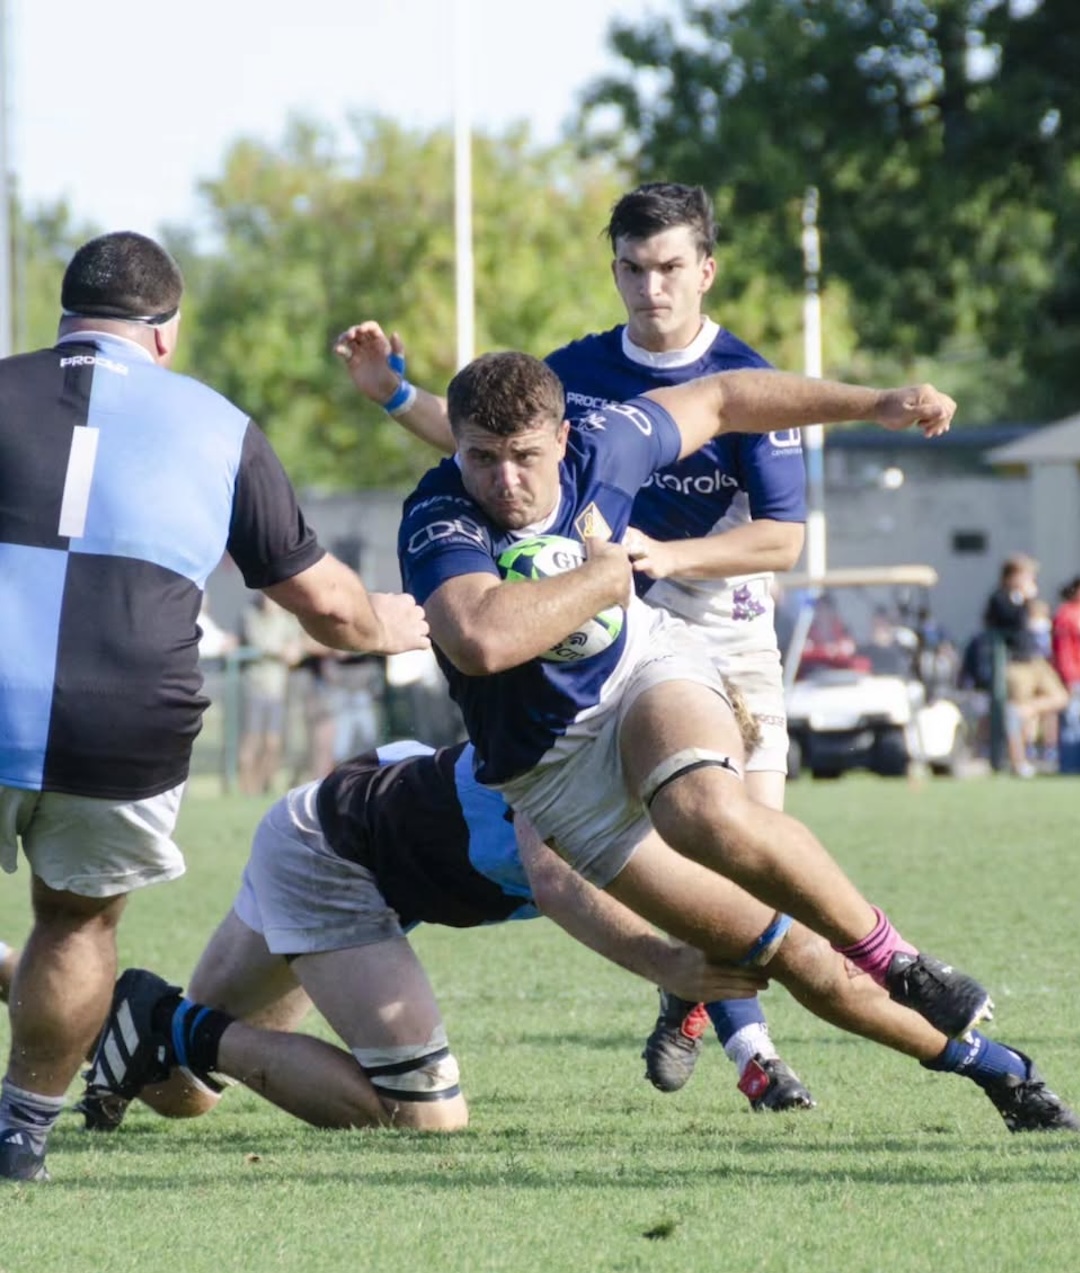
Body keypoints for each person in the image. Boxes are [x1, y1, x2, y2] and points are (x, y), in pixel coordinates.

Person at [336, 183, 845, 1101]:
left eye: (670, 268)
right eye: (632, 269)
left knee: (748, 856)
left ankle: (695, 997)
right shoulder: (576, 370)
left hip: (725, 631)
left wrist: (668, 555)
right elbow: (488, 442)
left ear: (706, 270)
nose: (651, 289)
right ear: (614, 270)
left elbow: (783, 541)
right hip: (600, 630)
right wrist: (396, 395)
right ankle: (757, 1059)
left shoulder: (744, 376)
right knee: (566, 858)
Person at [384, 352, 1000, 1071]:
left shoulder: (606, 444)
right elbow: (480, 640)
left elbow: (724, 396)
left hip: (642, 673)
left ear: (562, 437)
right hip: (550, 773)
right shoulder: (439, 514)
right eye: (481, 458)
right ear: (456, 447)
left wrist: (874, 403)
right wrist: (602, 578)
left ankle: (900, 962)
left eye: (524, 456)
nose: (505, 480)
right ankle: (1000, 1071)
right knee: (787, 953)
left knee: (700, 810)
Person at [0, 231, 429, 1182]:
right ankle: (21, 1133)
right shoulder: (218, 423)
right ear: (166, 332)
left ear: (65, 320)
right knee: (75, 923)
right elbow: (326, 606)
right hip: (125, 716)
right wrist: (393, 623)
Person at [80, 741, 1077, 1137]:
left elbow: (816, 965)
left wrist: (991, 1069)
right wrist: (667, 965)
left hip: (365, 848)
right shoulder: (572, 746)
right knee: (422, 1116)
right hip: (330, 854)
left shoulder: (705, 819)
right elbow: (554, 878)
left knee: (180, 1094)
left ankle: (92, 1000)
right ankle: (165, 1016)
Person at [984, 554, 1069, 777]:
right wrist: (1024, 599)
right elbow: (1013, 621)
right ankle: (1018, 761)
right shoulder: (1000, 599)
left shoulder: (1022, 599)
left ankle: (1026, 709)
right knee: (1017, 720)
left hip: (1035, 660)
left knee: (1059, 697)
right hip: (1016, 662)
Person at [237, 593, 305, 794]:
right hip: (255, 686)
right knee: (252, 740)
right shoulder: (251, 616)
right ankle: (246, 788)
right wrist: (281, 650)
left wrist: (294, 649)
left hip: (277, 689)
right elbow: (259, 642)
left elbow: (295, 645)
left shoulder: (285, 619)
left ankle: (264, 786)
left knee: (273, 743)